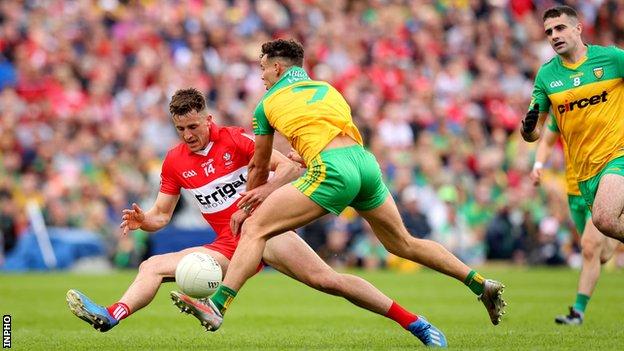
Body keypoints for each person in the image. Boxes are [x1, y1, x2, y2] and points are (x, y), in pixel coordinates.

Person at [65, 88, 447, 347]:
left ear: (207, 118)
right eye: (180, 129)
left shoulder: (237, 139)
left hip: (267, 232)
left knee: (330, 281)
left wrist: (258, 197)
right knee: (150, 265)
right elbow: (162, 215)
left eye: (194, 126)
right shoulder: (174, 161)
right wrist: (143, 221)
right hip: (226, 246)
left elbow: (291, 168)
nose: (188, 135)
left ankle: (416, 323)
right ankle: (112, 315)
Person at [175, 39, 506, 336]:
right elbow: (330, 134)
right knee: (404, 242)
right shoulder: (327, 89)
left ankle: (217, 305)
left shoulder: (266, 104)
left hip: (332, 171)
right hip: (364, 164)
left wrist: (250, 203)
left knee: (255, 227)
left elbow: (259, 166)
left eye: (262, 69)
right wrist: (304, 155)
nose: (261, 76)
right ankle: (479, 283)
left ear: (277, 68)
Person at [521, 5, 624, 244]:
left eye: (560, 28)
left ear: (578, 28)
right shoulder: (546, 76)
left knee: (604, 219)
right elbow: (535, 132)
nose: (554, 35)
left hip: (618, 154)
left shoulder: (611, 58)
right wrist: (527, 130)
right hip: (584, 171)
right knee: (601, 247)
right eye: (549, 32)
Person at [531, 115, 619, 324]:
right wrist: (538, 163)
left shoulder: (601, 104)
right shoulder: (564, 110)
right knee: (600, 255)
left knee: (590, 246)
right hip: (575, 189)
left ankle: (577, 312)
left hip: (600, 182)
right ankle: (617, 217)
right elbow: (547, 140)